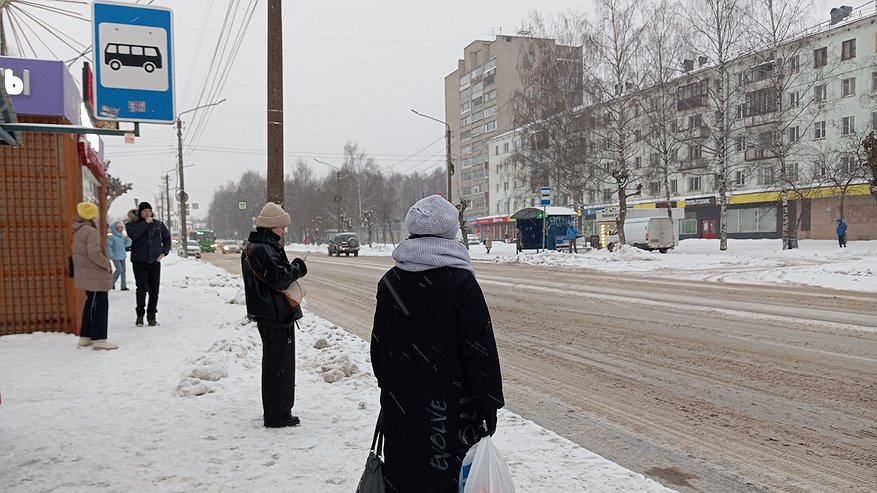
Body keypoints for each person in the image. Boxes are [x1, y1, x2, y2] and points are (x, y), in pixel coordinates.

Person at [370, 195, 505, 492]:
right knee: (445, 479)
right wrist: (488, 404)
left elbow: (379, 349)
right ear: (450, 232)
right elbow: (479, 350)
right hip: (447, 413)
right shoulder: (460, 283)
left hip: (401, 405)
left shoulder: (391, 281)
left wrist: (392, 388)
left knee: (404, 476)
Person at [241, 202, 308, 428]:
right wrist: (299, 267)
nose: (284, 230)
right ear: (271, 227)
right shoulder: (263, 248)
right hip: (274, 314)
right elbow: (279, 278)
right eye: (281, 227)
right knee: (278, 366)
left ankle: (278, 410)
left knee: (277, 364)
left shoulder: (261, 246)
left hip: (272, 312)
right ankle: (277, 414)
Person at [72, 202, 117, 350]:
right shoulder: (90, 231)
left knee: (90, 304)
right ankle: (99, 339)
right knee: (100, 305)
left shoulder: (79, 229)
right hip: (95, 275)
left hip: (87, 274)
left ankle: (85, 336)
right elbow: (94, 253)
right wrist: (107, 264)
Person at [126, 202, 171, 326]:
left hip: (154, 261)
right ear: (140, 213)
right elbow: (134, 236)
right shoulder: (132, 225)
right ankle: (140, 315)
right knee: (141, 289)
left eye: (149, 211)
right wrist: (145, 223)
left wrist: (164, 252)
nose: (147, 213)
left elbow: (167, 239)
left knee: (154, 290)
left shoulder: (158, 224)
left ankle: (152, 316)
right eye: (144, 211)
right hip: (139, 261)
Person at [107, 222, 131, 290]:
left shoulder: (122, 237)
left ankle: (123, 286)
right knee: (119, 270)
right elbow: (109, 246)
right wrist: (110, 255)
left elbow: (126, 245)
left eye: (121, 227)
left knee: (123, 271)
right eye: (118, 227)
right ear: (115, 228)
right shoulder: (111, 237)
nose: (120, 229)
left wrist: (128, 240)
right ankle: (110, 284)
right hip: (115, 256)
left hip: (122, 256)